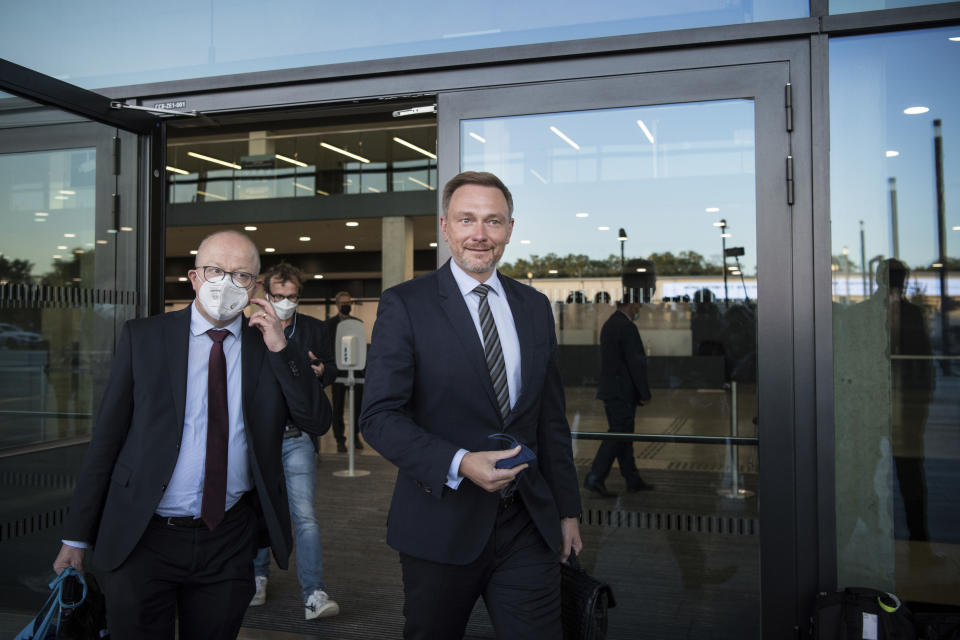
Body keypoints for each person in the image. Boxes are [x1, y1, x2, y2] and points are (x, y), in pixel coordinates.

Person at [51, 230, 330, 640]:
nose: (226, 283)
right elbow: (107, 439)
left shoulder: (267, 346)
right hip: (143, 536)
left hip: (228, 539)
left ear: (254, 286)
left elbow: (316, 420)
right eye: (215, 270)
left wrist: (280, 348)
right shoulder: (145, 337)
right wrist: (76, 537)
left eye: (240, 275)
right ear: (194, 277)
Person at [360, 171, 582, 639]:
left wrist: (567, 510)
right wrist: (459, 463)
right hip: (440, 524)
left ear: (509, 230)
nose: (479, 234)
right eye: (467, 220)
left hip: (526, 522)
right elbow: (379, 418)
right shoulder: (406, 305)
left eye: (493, 221)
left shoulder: (535, 306)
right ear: (445, 227)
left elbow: (551, 420)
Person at [249, 262, 340, 619]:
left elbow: (330, 368)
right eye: (278, 296)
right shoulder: (252, 329)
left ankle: (314, 591)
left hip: (297, 434)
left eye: (291, 297)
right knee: (259, 508)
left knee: (304, 515)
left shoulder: (314, 329)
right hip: (259, 436)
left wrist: (319, 370)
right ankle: (257, 577)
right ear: (265, 295)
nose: (285, 302)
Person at [583, 279, 654, 498]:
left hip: (613, 390)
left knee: (623, 435)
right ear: (631, 304)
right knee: (617, 435)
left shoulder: (611, 324)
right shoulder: (626, 327)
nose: (639, 310)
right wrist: (644, 393)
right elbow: (636, 363)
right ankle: (595, 477)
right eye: (638, 306)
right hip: (622, 391)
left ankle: (632, 478)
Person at [326, 291, 365, 453]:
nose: (346, 305)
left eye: (349, 302)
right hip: (338, 373)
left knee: (357, 406)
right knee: (338, 407)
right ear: (337, 305)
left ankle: (355, 436)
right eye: (343, 303)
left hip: (356, 372)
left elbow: (361, 347)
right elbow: (327, 349)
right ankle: (339, 439)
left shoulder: (358, 323)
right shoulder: (328, 325)